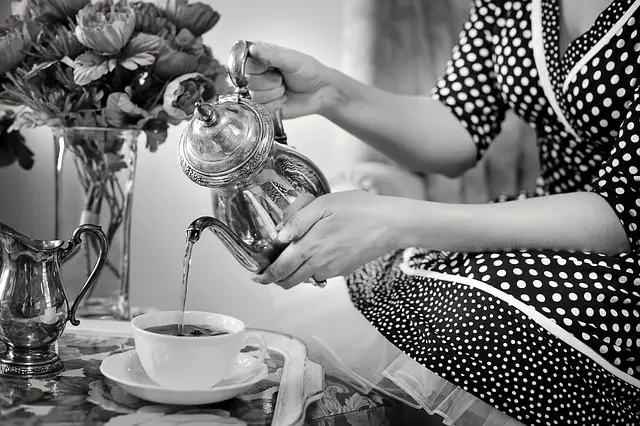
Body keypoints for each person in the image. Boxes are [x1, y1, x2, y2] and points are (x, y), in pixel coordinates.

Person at [246, 0, 640, 424]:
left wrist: (396, 222)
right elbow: (459, 122)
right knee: (372, 269)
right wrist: (328, 91)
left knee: (481, 317)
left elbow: (620, 213)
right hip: (547, 226)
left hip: (618, 253)